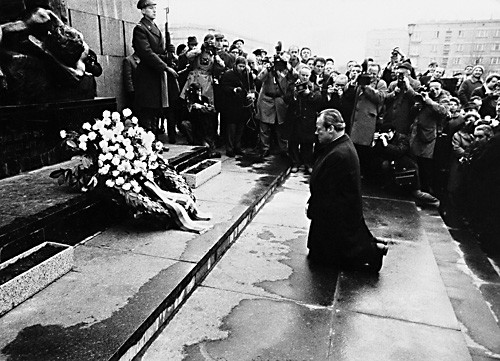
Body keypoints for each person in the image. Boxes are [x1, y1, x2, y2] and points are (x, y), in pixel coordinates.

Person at [306, 108, 388, 272]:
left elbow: (329, 194)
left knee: (330, 258)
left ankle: (373, 252)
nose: (316, 132)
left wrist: (313, 208)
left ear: (331, 129)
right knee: (319, 256)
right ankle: (372, 248)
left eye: (319, 129)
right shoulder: (340, 146)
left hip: (336, 216)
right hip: (335, 212)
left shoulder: (339, 154)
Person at [132, 0, 179, 140]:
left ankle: (154, 143)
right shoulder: (140, 28)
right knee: (148, 110)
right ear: (143, 10)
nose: (154, 10)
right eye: (150, 8)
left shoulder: (154, 28)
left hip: (155, 74)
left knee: (156, 110)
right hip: (147, 75)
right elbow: (146, 52)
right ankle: (148, 145)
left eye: (154, 8)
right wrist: (165, 66)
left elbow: (157, 50)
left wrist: (168, 53)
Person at [288, 66, 322, 174]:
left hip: (308, 120)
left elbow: (319, 100)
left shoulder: (314, 87)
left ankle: (307, 163)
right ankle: (295, 162)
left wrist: (309, 94)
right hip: (295, 119)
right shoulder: (292, 85)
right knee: (293, 142)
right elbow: (286, 98)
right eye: (303, 75)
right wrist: (294, 94)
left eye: (307, 75)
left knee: (307, 143)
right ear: (299, 75)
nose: (305, 77)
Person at [219, 56, 256, 157]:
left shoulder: (247, 75)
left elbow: (251, 86)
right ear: (235, 65)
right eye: (240, 66)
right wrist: (233, 89)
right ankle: (230, 148)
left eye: (244, 66)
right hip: (231, 104)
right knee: (231, 128)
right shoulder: (228, 74)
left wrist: (251, 94)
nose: (242, 68)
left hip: (242, 105)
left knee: (240, 127)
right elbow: (223, 87)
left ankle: (237, 147)